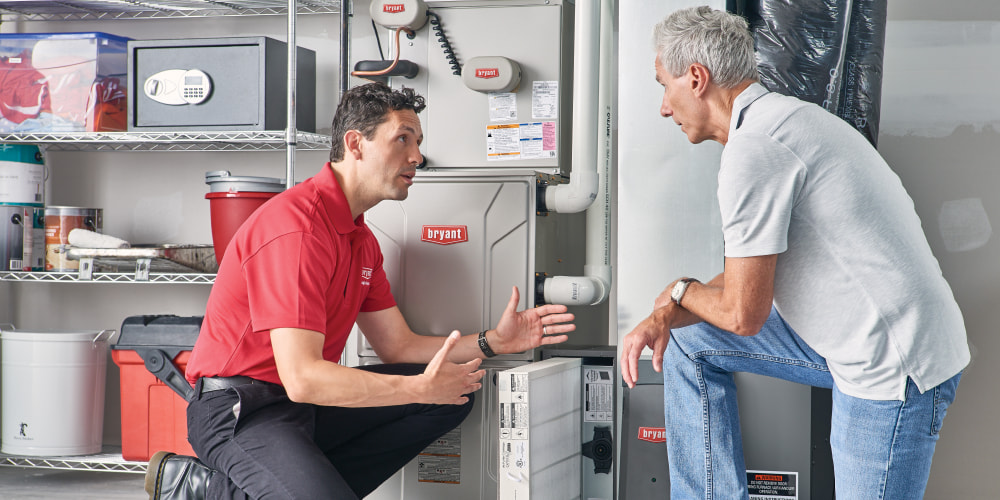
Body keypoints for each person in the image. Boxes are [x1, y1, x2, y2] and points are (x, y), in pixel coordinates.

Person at [144, 82, 575, 500]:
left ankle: (233, 491)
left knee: (452, 396)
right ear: (356, 144)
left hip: (301, 407)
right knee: (423, 392)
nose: (417, 157)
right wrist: (416, 389)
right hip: (242, 410)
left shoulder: (361, 239)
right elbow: (304, 377)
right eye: (402, 140)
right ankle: (233, 487)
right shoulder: (296, 229)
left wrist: (493, 342)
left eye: (418, 142)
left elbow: (397, 346)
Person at [620, 6, 970, 500]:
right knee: (687, 340)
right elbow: (743, 279)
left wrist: (679, 291)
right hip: (856, 334)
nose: (662, 106)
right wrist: (671, 311)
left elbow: (743, 314)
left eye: (663, 85)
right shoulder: (783, 120)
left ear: (695, 78)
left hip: (893, 365)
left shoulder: (755, 149)